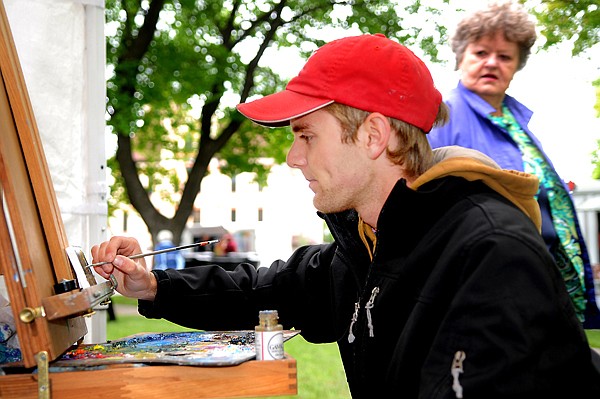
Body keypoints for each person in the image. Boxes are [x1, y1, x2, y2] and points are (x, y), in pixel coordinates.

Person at [92, 33, 600, 397]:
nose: (293, 157)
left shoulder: (490, 255)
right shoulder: (369, 244)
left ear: (374, 136)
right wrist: (153, 285)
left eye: (306, 135)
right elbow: (266, 289)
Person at [427, 1, 600, 328]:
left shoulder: (517, 125)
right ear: (460, 57)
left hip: (538, 280)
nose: (492, 63)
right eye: (480, 53)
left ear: (517, 65)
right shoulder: (441, 118)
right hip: (485, 287)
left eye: (505, 56)